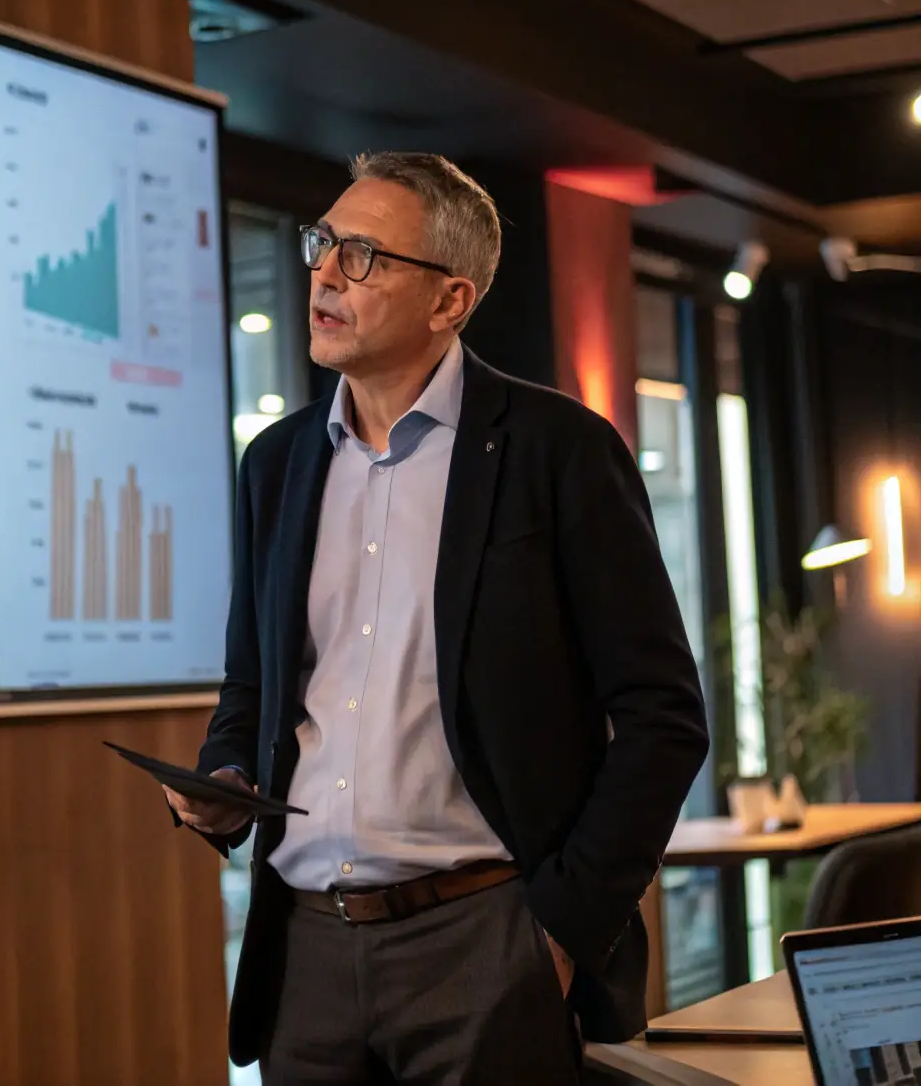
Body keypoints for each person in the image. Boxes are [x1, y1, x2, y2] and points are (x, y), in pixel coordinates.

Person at [166, 152, 709, 1085]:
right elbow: (252, 684)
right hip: (304, 952)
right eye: (323, 243)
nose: (325, 274)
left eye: (363, 255)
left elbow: (664, 716)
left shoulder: (558, 450)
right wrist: (223, 775)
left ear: (450, 299)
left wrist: (562, 928)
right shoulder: (277, 463)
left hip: (485, 942)